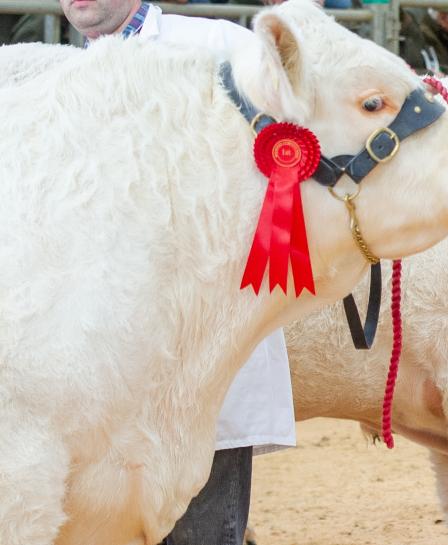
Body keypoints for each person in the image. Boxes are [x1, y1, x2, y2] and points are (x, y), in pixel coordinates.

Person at [56, 1, 297, 544]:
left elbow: (298, 149)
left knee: (204, 533)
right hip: (106, 377)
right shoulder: (62, 77)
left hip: (204, 350)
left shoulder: (221, 47)